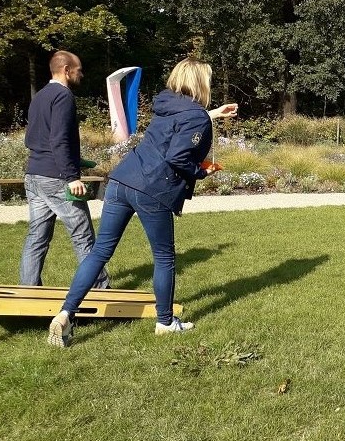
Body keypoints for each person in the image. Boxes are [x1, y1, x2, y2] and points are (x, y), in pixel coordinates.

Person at [47, 58, 238, 347]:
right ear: (201, 82)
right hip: (153, 188)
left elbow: (178, 126)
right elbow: (178, 157)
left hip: (122, 179)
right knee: (164, 257)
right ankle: (165, 322)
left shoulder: (167, 103)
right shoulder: (194, 115)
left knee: (100, 252)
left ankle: (65, 314)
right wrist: (202, 172)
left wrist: (212, 114)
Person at [20, 50, 110, 288]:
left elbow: (35, 138)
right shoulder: (63, 96)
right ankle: (100, 289)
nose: (81, 74)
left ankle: (29, 290)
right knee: (83, 235)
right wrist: (71, 177)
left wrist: (75, 160)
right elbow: (58, 139)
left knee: (37, 237)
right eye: (79, 70)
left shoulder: (40, 96)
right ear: (66, 70)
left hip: (34, 175)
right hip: (57, 178)